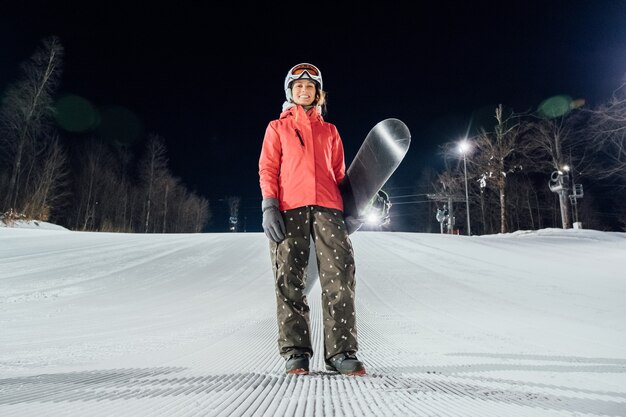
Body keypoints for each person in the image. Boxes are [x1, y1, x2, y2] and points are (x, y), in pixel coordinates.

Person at [258, 63, 365, 376]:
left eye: (310, 87)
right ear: (290, 92)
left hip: (329, 208)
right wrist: (269, 206)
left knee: (340, 278)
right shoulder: (276, 128)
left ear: (318, 93)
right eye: (298, 87)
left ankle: (342, 353)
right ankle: (296, 352)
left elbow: (341, 174)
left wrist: (352, 208)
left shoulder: (330, 131)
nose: (304, 91)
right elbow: (268, 169)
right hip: (290, 208)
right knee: (289, 280)